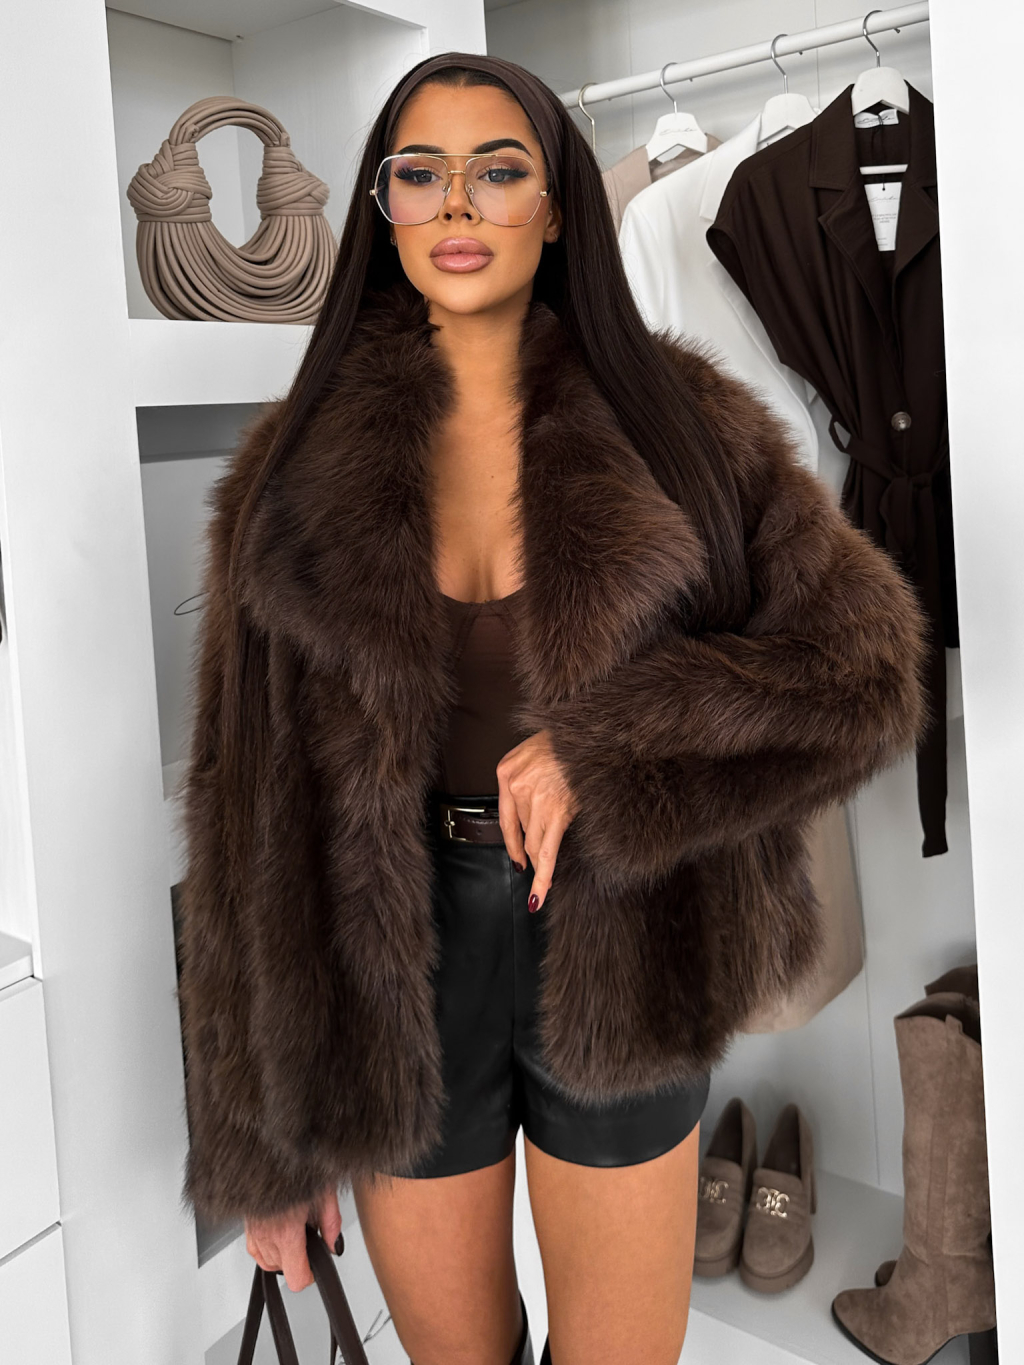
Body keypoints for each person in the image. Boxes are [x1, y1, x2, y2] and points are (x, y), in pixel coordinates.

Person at [174, 52, 928, 1365]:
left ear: (559, 206)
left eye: (499, 169)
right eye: (422, 173)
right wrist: (259, 1146)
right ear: (384, 210)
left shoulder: (684, 427)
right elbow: (241, 816)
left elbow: (863, 673)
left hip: (623, 939)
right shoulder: (289, 474)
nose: (459, 203)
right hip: (384, 969)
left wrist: (606, 748)